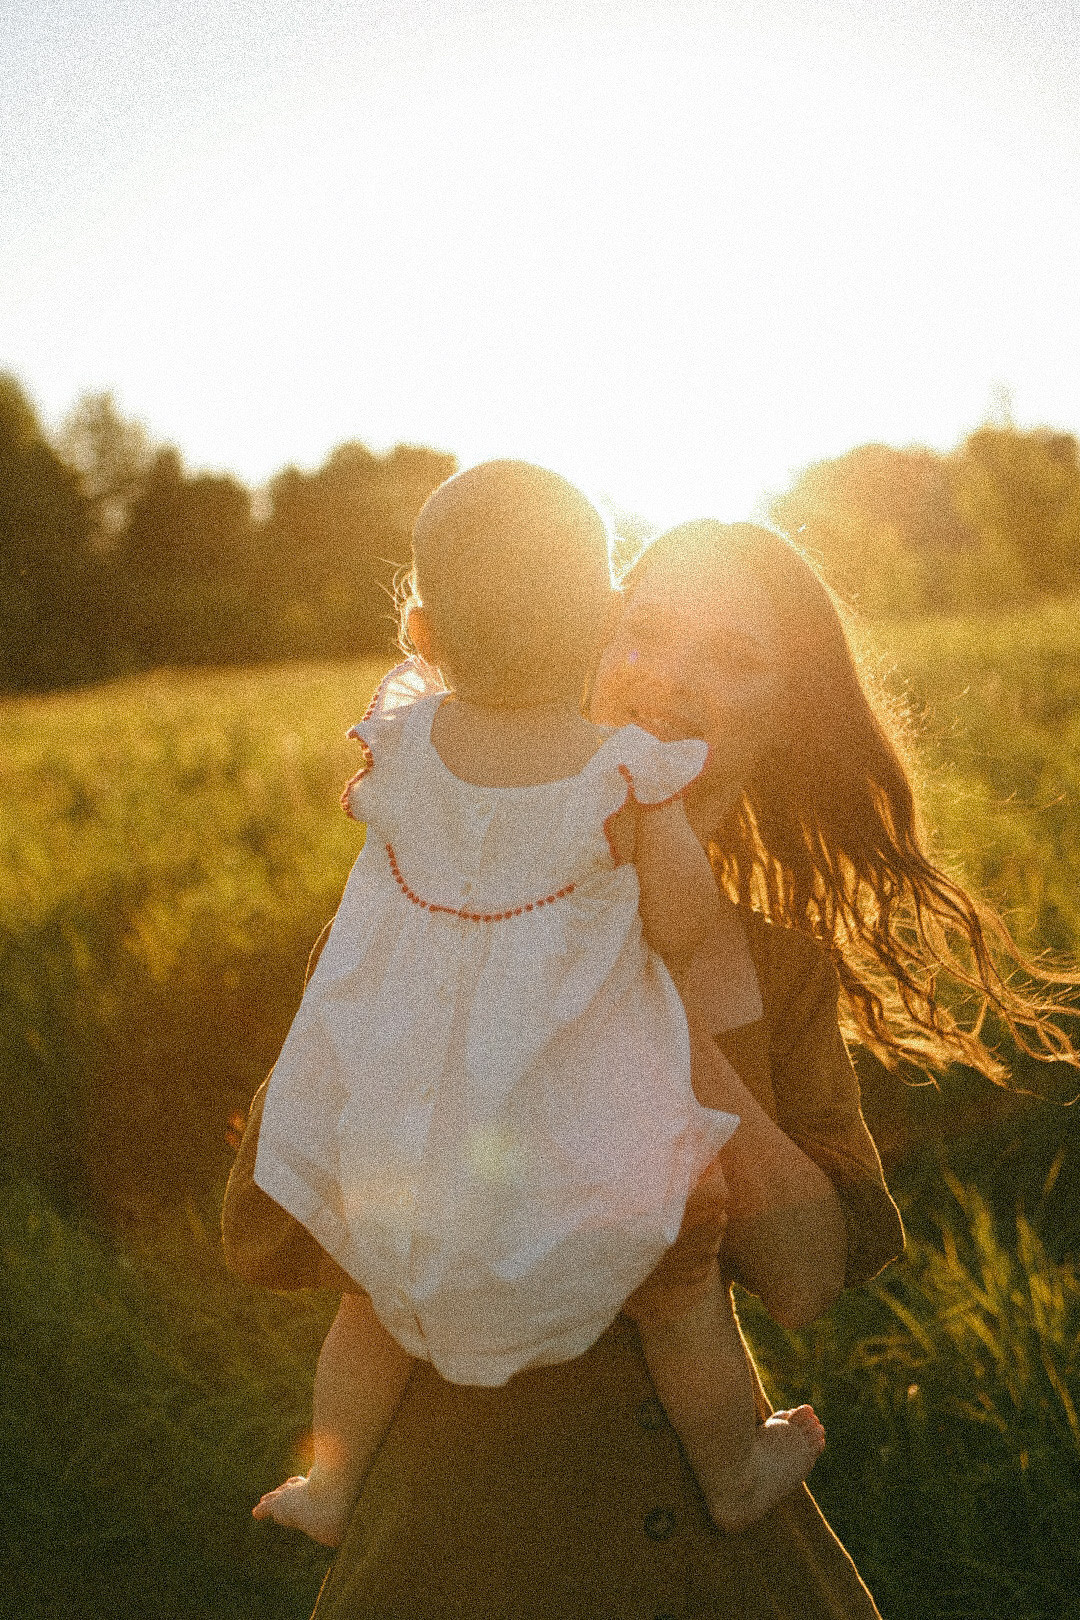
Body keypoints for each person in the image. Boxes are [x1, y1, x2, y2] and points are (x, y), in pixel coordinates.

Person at [223, 515, 1073, 1618]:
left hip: (715, 1575)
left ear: (787, 715)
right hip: (450, 1558)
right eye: (646, 628)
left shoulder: (786, 969)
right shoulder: (428, 923)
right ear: (584, 637)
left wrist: (648, 997)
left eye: (736, 657)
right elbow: (270, 1223)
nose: (670, 676)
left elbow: (809, 1277)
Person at [248, 463, 825, 1553]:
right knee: (677, 1290)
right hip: (564, 1151)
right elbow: (683, 924)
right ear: (606, 620)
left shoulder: (404, 739)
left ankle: (326, 1487)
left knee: (370, 1300)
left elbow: (371, 814)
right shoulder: (623, 774)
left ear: (420, 631)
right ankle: (738, 1466)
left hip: (411, 1131)